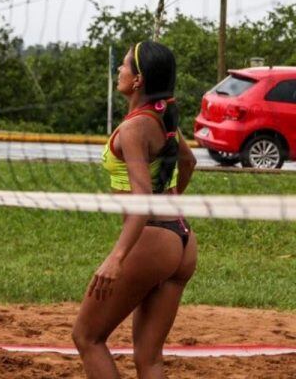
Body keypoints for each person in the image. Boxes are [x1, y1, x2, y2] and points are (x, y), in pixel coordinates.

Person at [72, 41, 197, 379]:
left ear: (138, 79)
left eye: (123, 66)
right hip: (183, 240)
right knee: (149, 358)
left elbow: (141, 203)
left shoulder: (133, 128)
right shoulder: (162, 118)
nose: (118, 70)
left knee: (87, 337)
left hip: (152, 240)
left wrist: (117, 256)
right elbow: (188, 161)